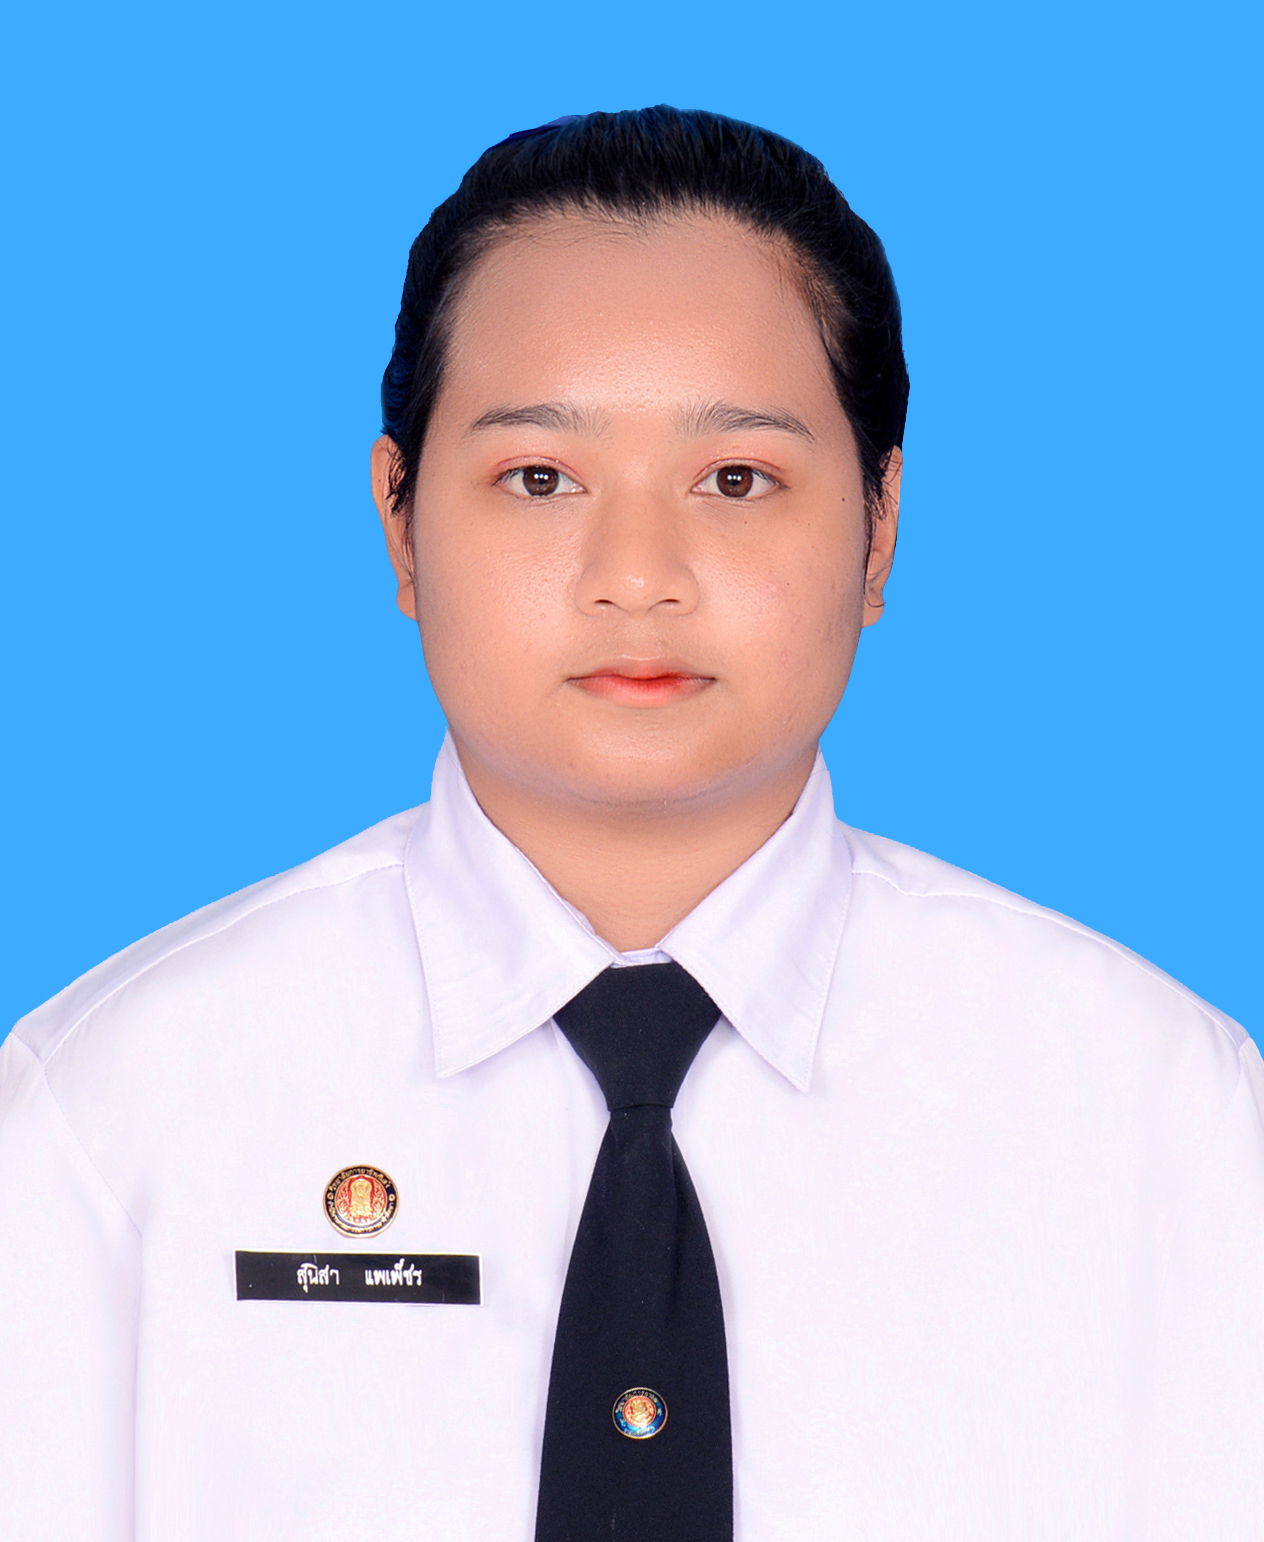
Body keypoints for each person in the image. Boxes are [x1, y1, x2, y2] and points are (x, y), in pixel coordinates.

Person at [2, 106, 1260, 1542]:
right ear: (399, 518)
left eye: (737, 480)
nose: (639, 574)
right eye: (541, 478)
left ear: (881, 522)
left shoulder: (1158, 1116)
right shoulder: (113, 1108)